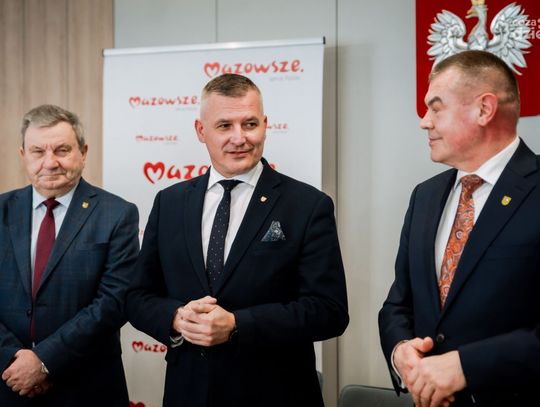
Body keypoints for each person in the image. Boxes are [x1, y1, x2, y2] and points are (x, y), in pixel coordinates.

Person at [126, 73, 349, 407]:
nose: (239, 138)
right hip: (189, 392)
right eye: (224, 126)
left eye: (250, 124)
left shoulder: (307, 205)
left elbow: (329, 311)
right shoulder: (169, 202)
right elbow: (137, 296)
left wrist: (236, 324)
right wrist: (176, 317)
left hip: (275, 394)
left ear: (265, 125)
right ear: (201, 131)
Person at [379, 50, 540, 407]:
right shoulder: (425, 196)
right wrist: (400, 350)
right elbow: (398, 303)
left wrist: (467, 366)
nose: (424, 122)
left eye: (436, 108)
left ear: (484, 109)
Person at [0, 105, 139, 406]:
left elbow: (114, 302)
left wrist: (44, 360)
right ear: (23, 155)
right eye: (38, 151)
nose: (50, 162)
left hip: (87, 384)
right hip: (9, 381)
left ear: (83, 152)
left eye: (62, 150)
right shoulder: (2, 210)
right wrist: (12, 358)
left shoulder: (117, 214)